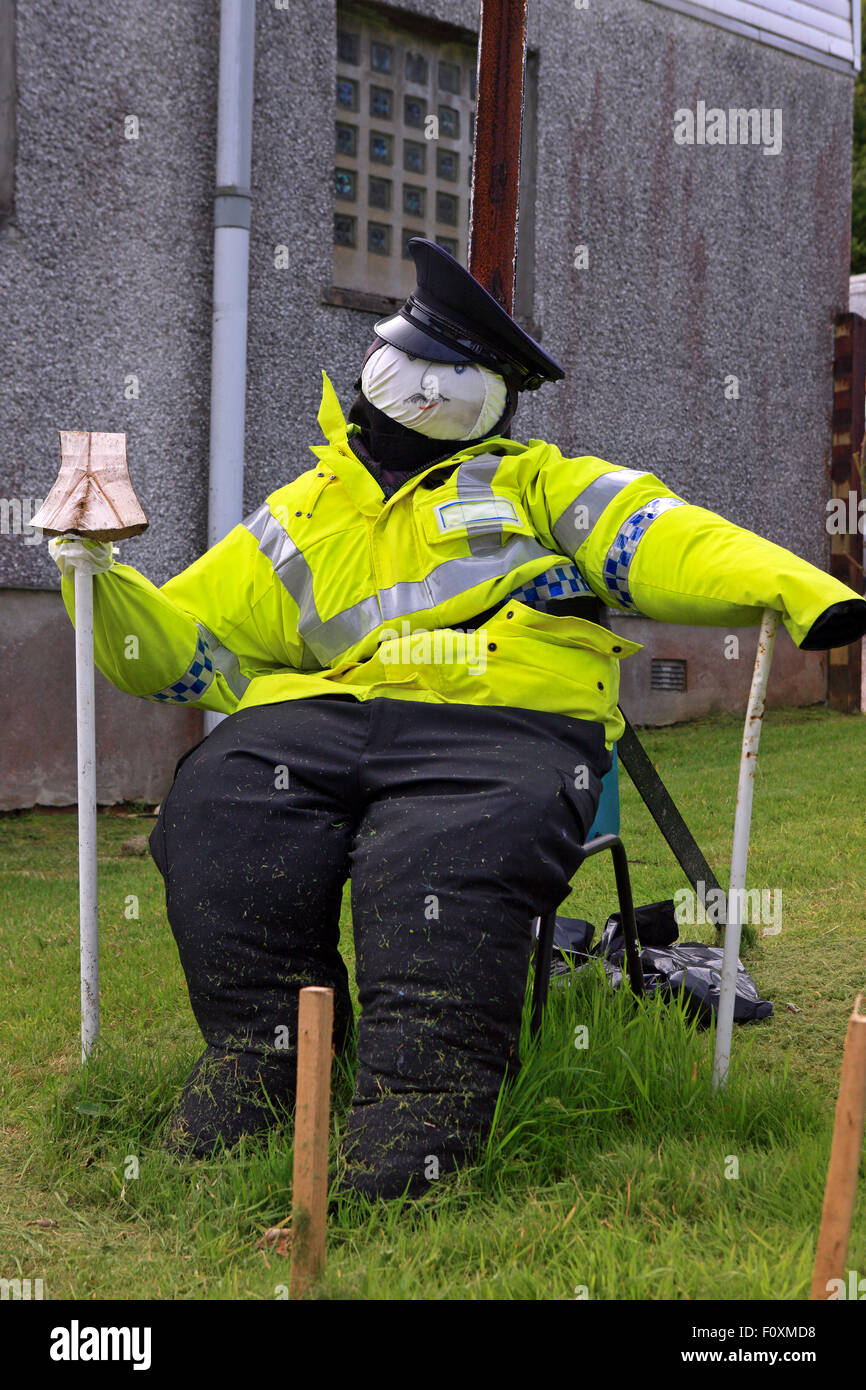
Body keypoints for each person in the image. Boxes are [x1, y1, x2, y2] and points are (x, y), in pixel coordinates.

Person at [50, 238, 866, 1199]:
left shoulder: (536, 481)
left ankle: (420, 1116)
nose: (426, 392)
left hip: (505, 722)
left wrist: (799, 589)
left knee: (441, 856)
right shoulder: (297, 513)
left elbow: (655, 532)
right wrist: (98, 582)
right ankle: (258, 1065)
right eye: (415, 367)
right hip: (324, 714)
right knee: (220, 810)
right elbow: (191, 649)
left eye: (455, 378)